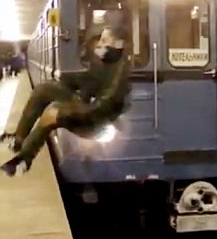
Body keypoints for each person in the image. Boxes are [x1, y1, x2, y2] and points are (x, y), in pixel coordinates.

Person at [0, 16, 132, 177]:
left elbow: (104, 106)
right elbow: (89, 79)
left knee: (51, 112)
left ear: (118, 44)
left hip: (96, 120)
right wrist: (64, 80)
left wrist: (68, 111)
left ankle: (24, 159)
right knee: (43, 90)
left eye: (105, 41)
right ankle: (19, 140)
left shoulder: (121, 70)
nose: (99, 44)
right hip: (86, 106)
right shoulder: (105, 61)